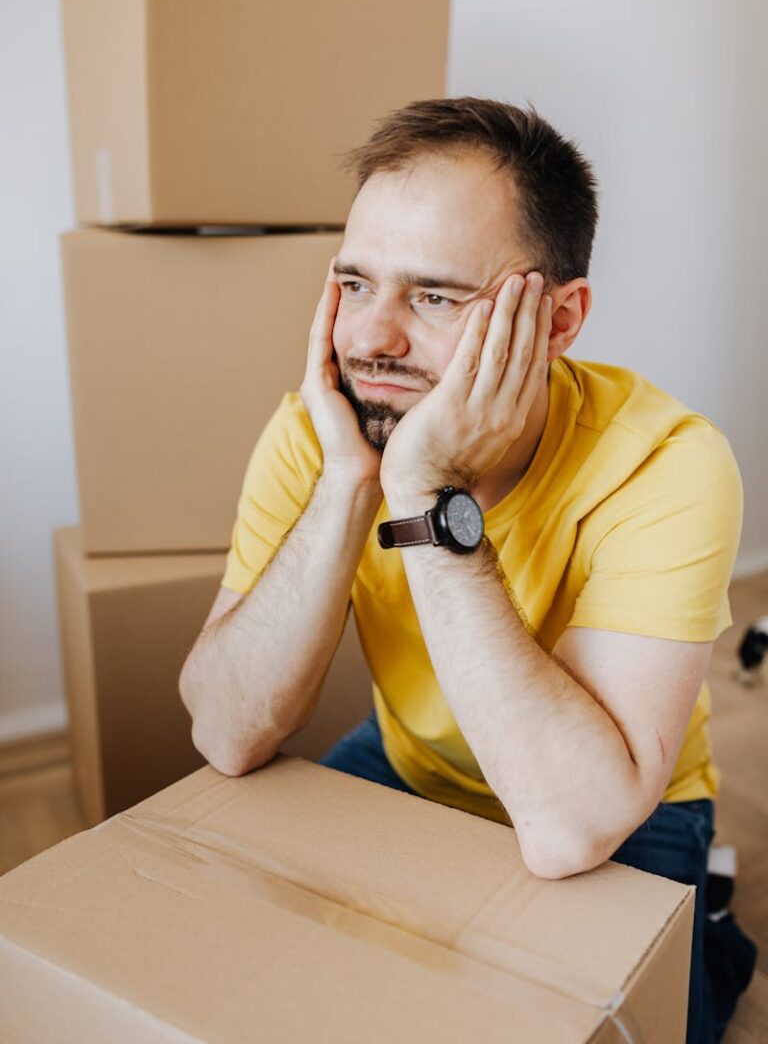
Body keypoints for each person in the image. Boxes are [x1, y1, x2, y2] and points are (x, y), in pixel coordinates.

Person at [179, 98, 756, 1042]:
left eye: (435, 297)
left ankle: (715, 942)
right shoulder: (323, 432)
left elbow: (571, 827)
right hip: (410, 760)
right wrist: (346, 486)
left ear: (560, 318)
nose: (370, 340)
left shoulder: (668, 462)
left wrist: (424, 492)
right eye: (355, 284)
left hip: (617, 795)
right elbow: (227, 731)